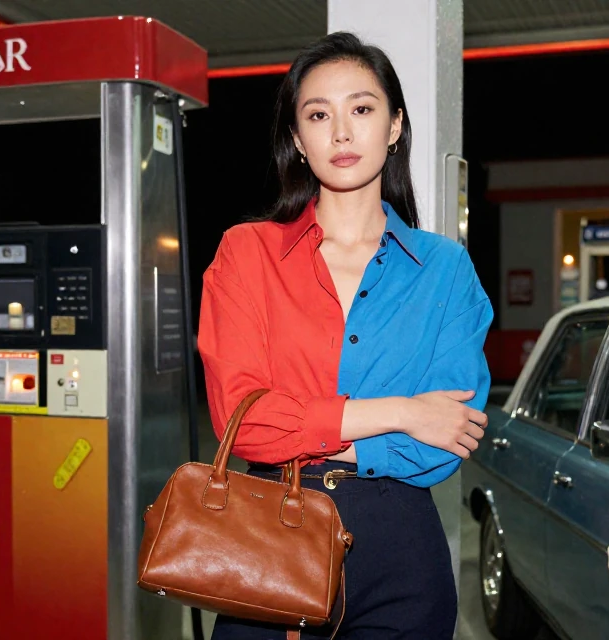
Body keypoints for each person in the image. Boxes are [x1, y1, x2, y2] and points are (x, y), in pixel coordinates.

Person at [197, 31, 493, 639]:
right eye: (318, 114)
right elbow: (242, 421)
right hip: (266, 544)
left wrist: (306, 432)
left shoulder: (444, 268)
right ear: (297, 140)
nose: (341, 131)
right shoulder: (246, 253)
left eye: (361, 109)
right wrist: (403, 412)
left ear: (393, 127)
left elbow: (448, 436)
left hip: (401, 558)